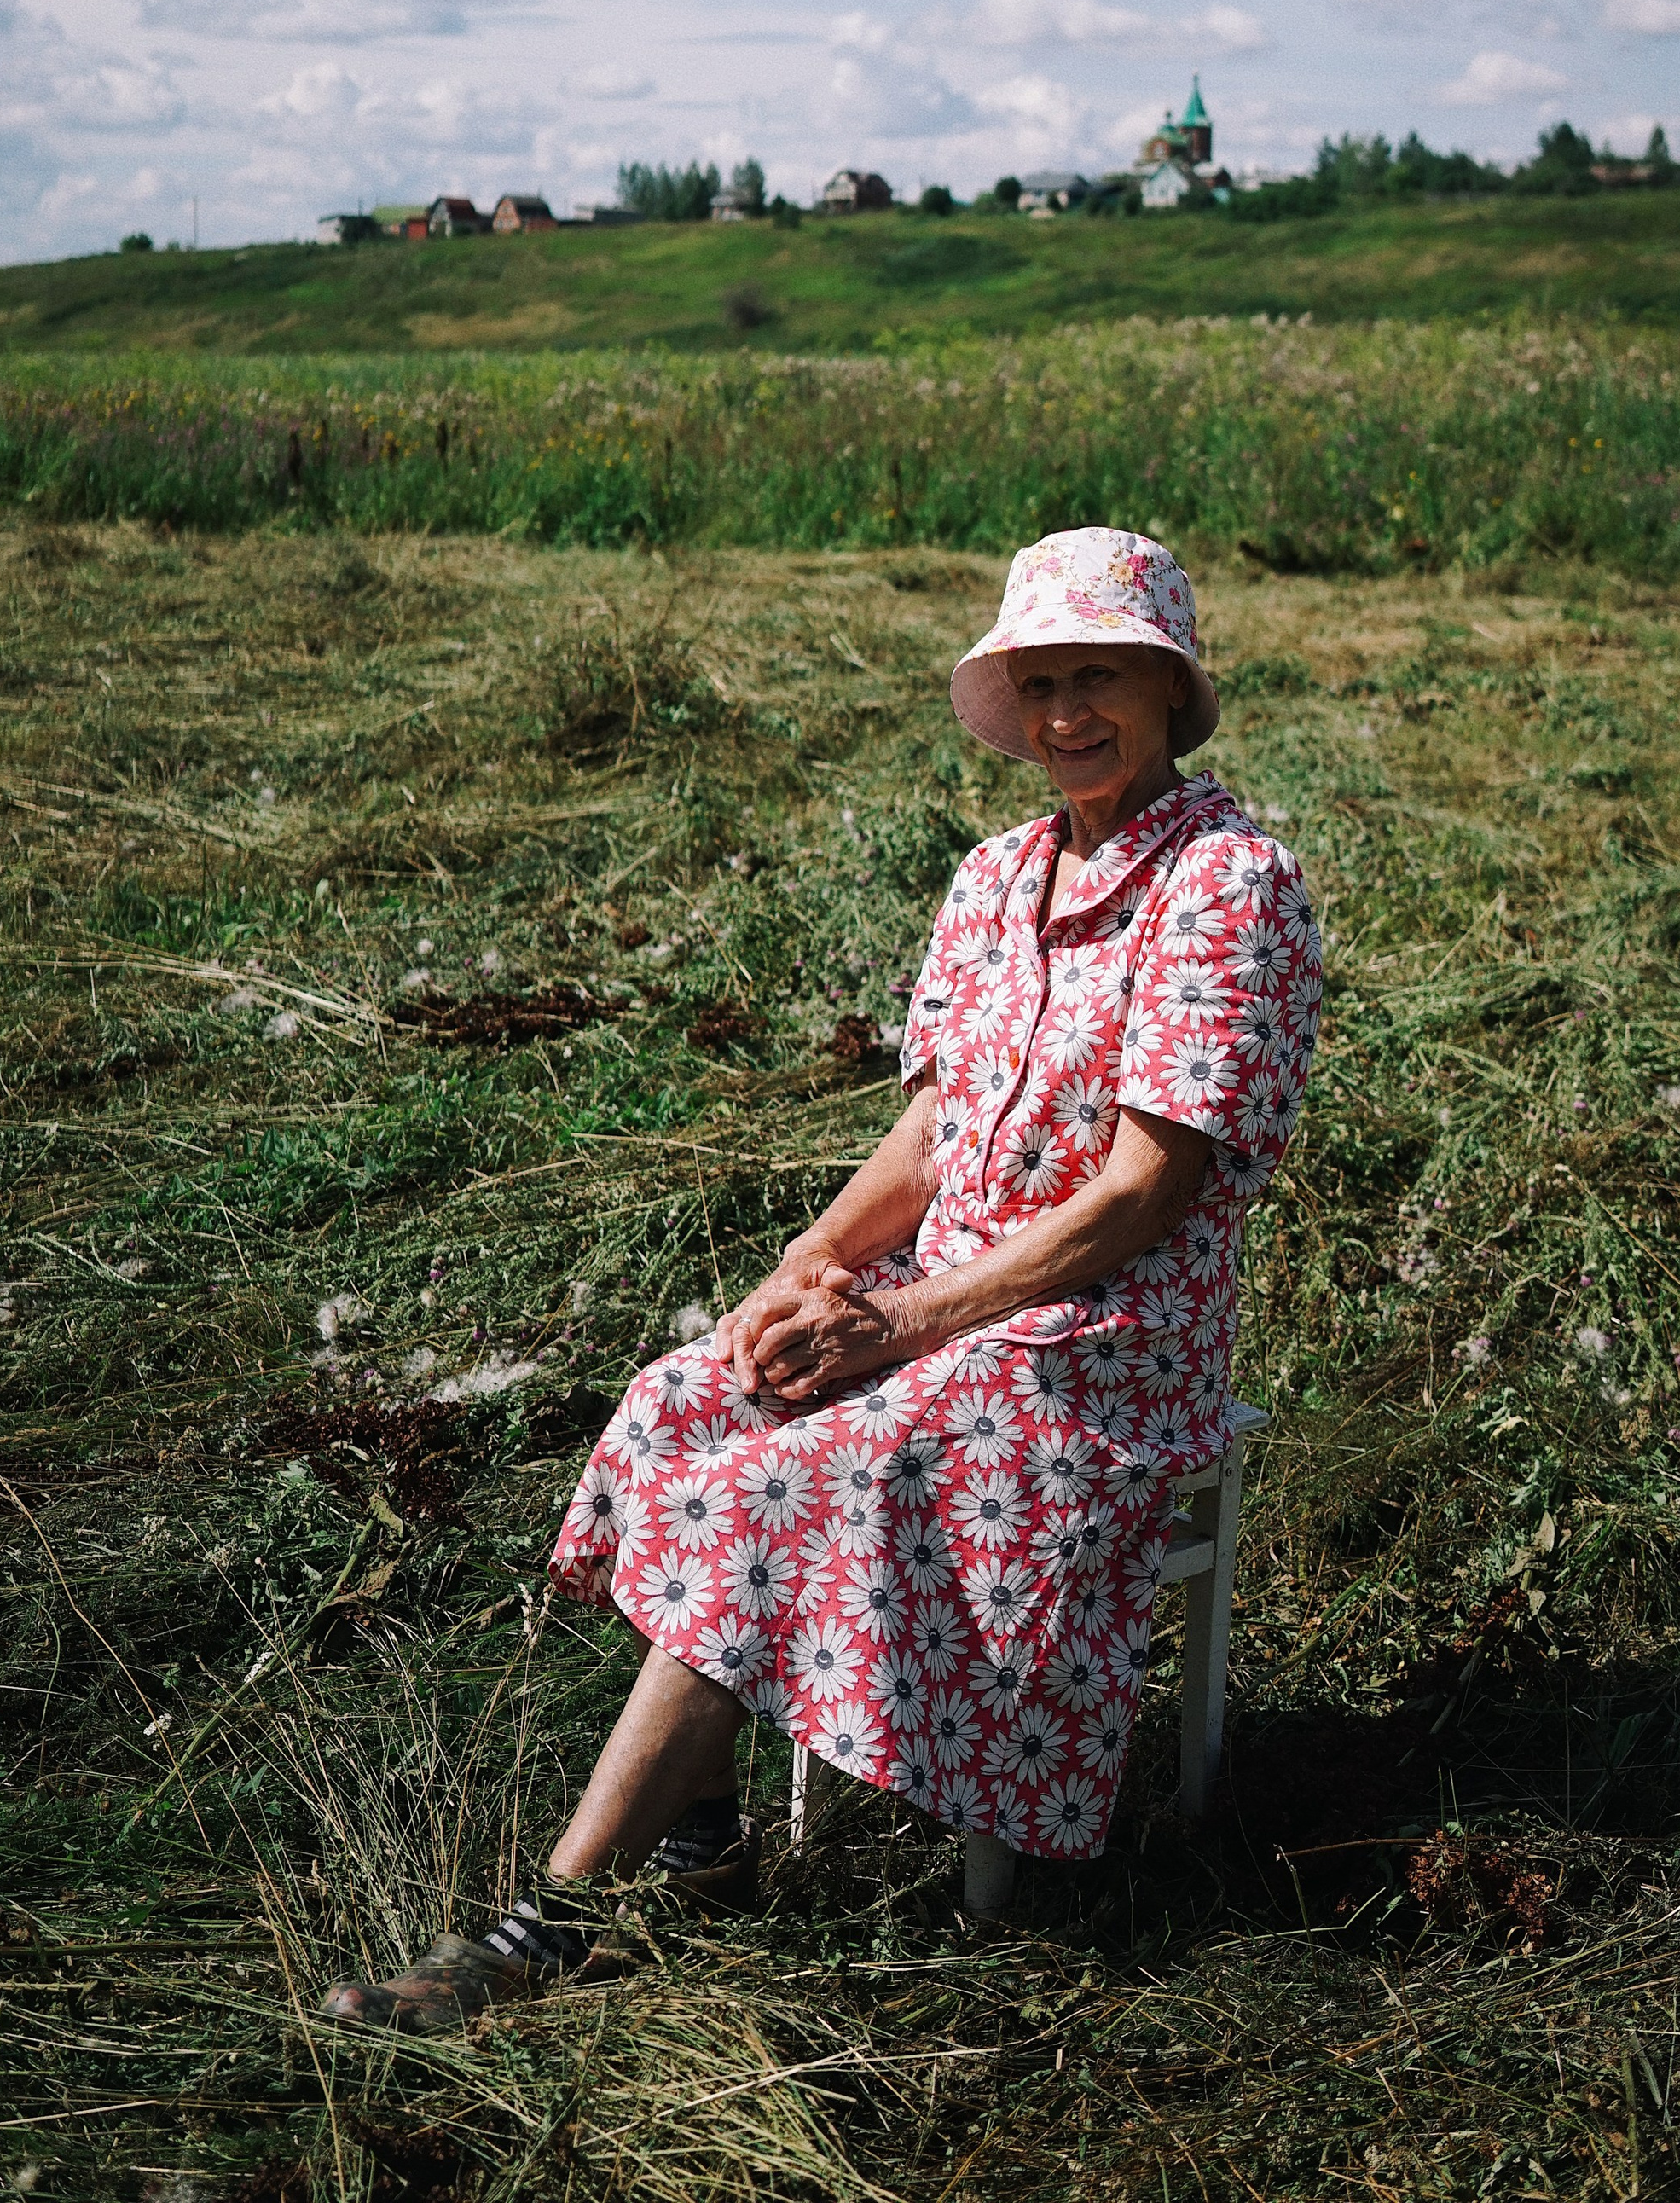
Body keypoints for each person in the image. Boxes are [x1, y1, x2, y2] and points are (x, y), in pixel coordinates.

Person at [322, 526, 1320, 2031]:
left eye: (1099, 676)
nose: (1066, 715)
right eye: (1039, 682)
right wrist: (812, 1267)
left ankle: (552, 1921)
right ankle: (710, 1831)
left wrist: (905, 1324)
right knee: (684, 1402)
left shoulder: (1230, 883)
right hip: (943, 1296)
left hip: (1104, 1339)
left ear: (1170, 688)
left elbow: (1142, 1190)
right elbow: (934, 1129)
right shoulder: (996, 878)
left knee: (800, 1479)